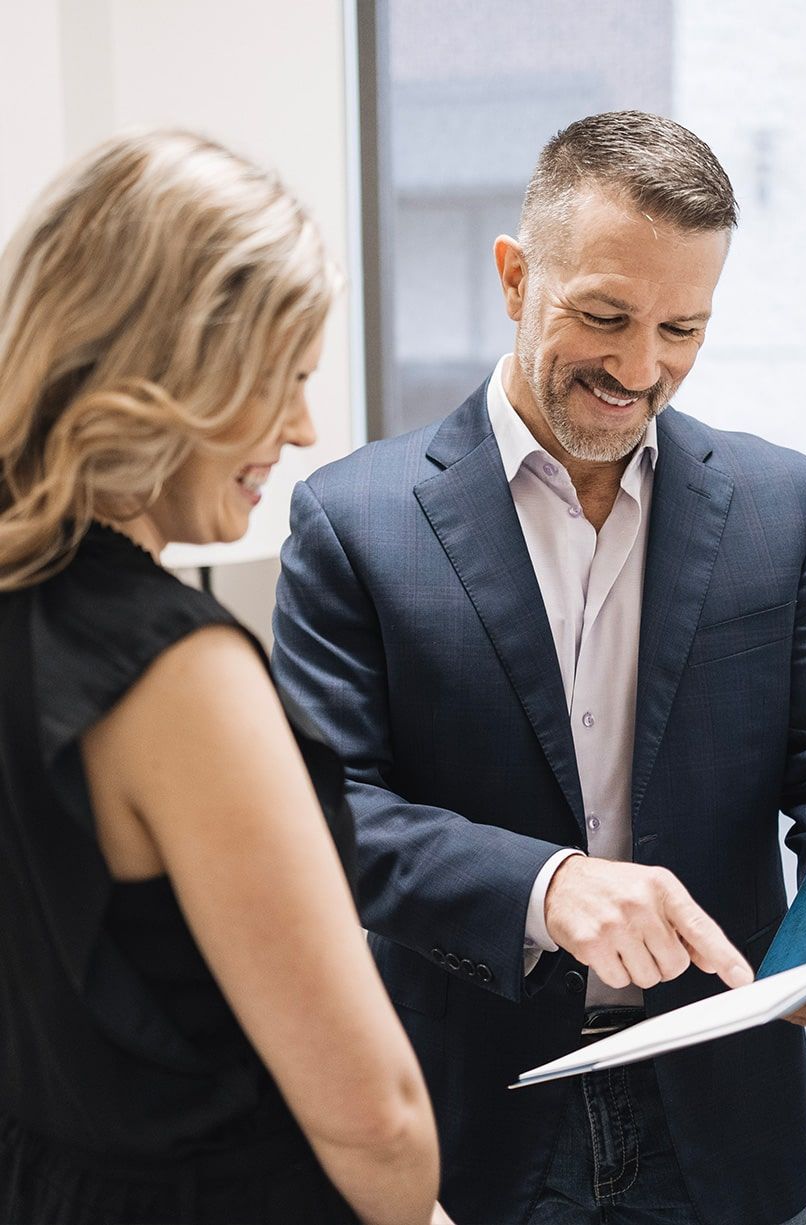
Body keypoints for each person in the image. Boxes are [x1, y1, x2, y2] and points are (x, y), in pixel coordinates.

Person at [273, 110, 806, 1224]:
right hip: (475, 1117)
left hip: (723, 1116)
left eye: (683, 328)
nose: (641, 369)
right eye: (606, 316)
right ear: (516, 276)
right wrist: (546, 886)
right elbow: (329, 818)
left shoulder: (787, 505)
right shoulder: (351, 521)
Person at [0, 130, 447, 1225]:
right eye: (281, 381)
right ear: (170, 373)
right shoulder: (179, 675)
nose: (300, 430)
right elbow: (373, 1112)